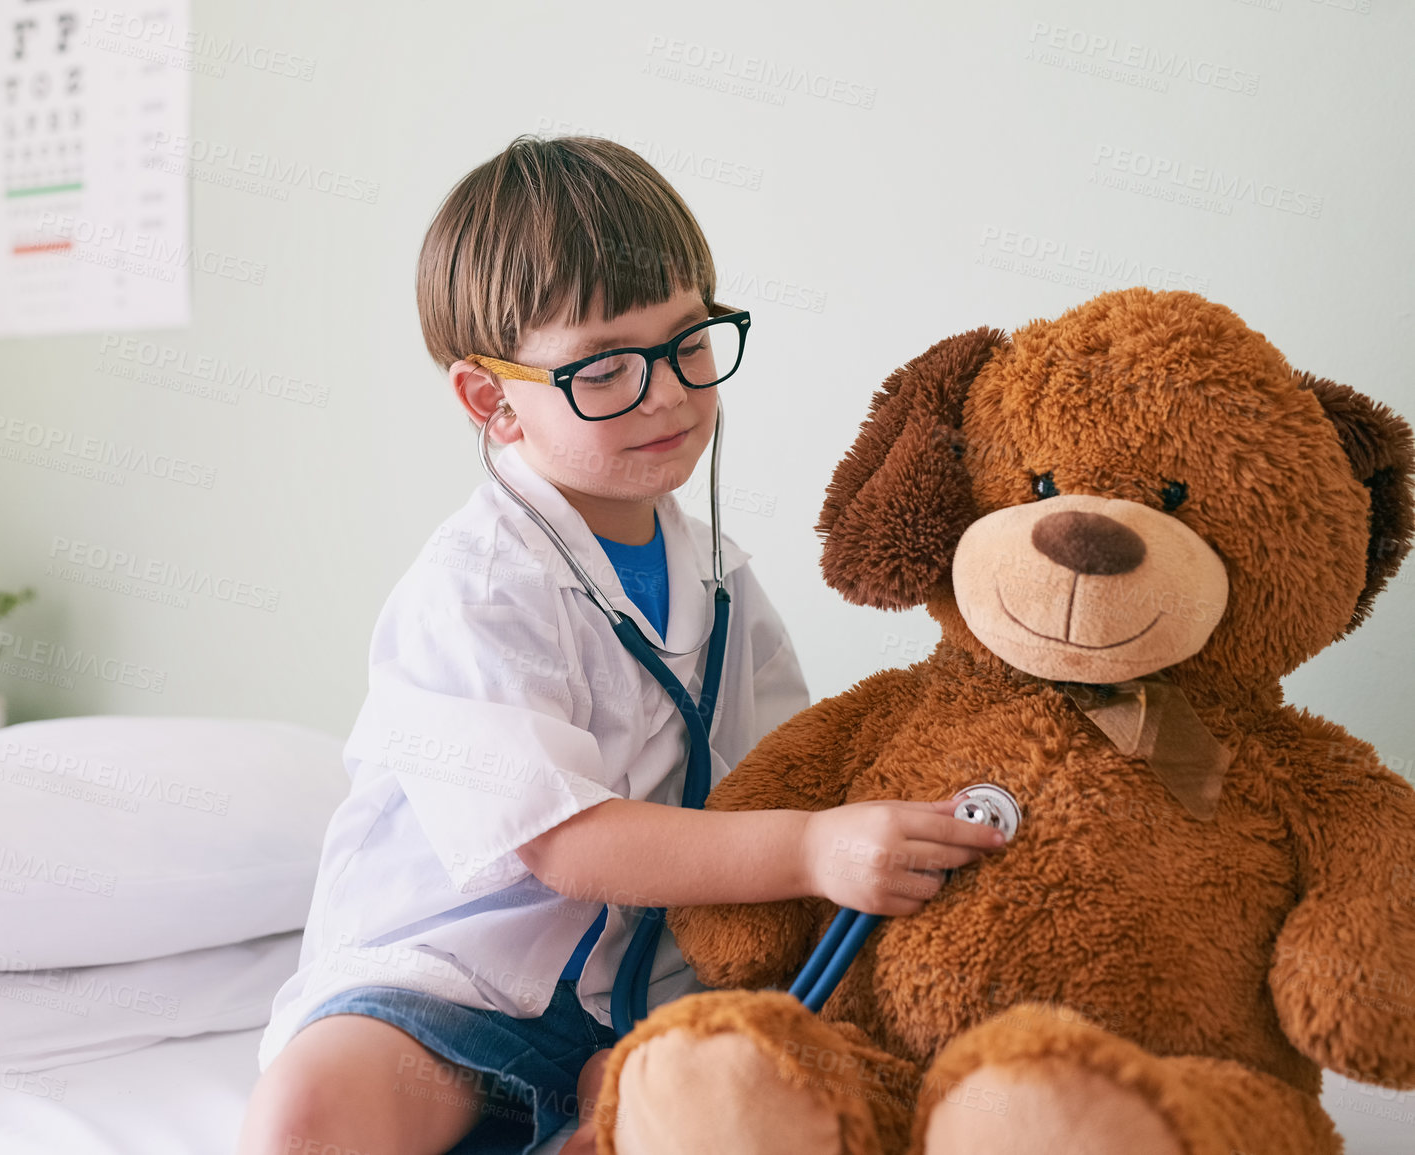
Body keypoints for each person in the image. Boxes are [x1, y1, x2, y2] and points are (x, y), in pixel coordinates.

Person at [237, 135, 1004, 1155]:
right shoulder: (475, 586)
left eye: (690, 343)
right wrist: (815, 850)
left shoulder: (721, 578)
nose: (669, 394)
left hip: (634, 998)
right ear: (491, 401)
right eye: (606, 369)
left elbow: (786, 771)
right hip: (452, 990)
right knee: (313, 1108)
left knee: (704, 1093)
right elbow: (565, 842)